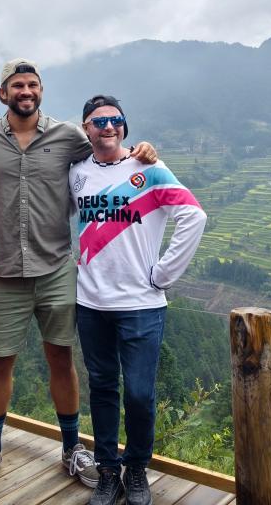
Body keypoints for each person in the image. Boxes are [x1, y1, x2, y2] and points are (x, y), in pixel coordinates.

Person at [0, 60, 158, 496]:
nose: (25, 91)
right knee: (0, 361)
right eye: (17, 85)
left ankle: (72, 447)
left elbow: (108, 149)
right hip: (4, 271)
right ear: (3, 93)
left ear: (41, 90)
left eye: (32, 84)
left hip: (56, 269)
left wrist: (141, 150)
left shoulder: (68, 136)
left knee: (61, 358)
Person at [71, 95, 206, 505]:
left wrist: (163, 274)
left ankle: (136, 468)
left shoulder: (149, 168)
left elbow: (194, 215)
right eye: (98, 122)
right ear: (86, 129)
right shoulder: (77, 172)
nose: (108, 127)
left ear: (125, 126)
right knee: (102, 388)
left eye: (115, 119)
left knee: (139, 394)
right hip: (90, 302)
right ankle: (107, 469)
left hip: (141, 305)